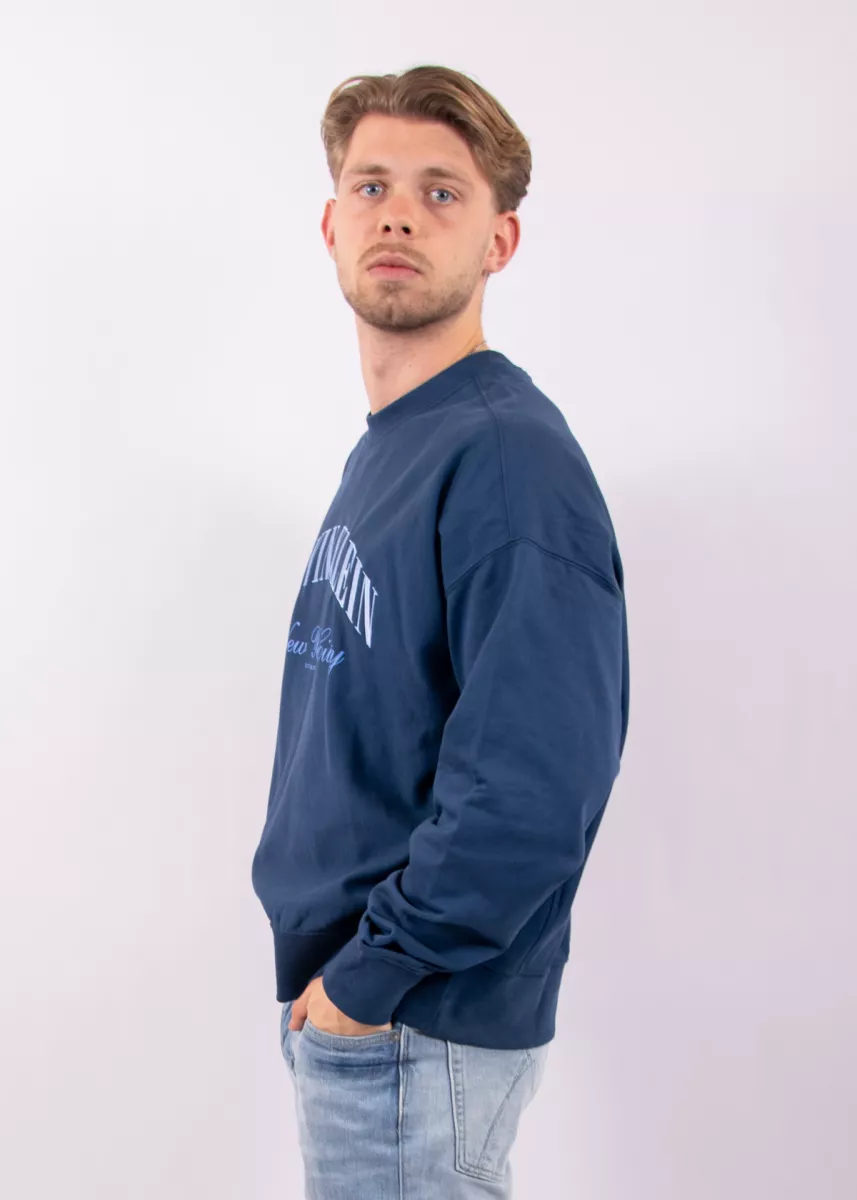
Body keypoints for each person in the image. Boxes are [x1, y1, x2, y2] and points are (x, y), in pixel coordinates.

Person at [251, 63, 630, 1198]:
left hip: (414, 1025)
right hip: (368, 1015)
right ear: (330, 224)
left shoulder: (506, 458)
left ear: (498, 242)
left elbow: (533, 787)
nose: (398, 214)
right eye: (370, 186)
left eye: (441, 192)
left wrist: (370, 982)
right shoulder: (396, 443)